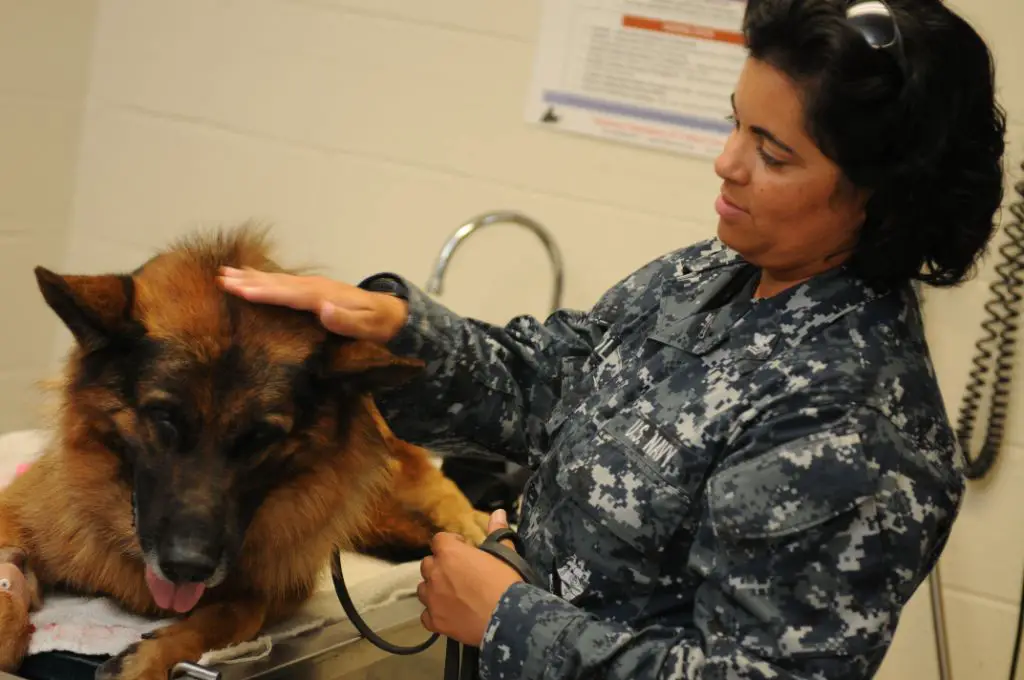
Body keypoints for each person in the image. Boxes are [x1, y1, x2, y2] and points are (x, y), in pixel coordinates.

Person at [218, 0, 1008, 676]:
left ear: (885, 199)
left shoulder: (850, 423)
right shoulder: (711, 275)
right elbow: (550, 381)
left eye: (773, 154)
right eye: (737, 124)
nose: (725, 163)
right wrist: (393, 330)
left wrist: (510, 618)